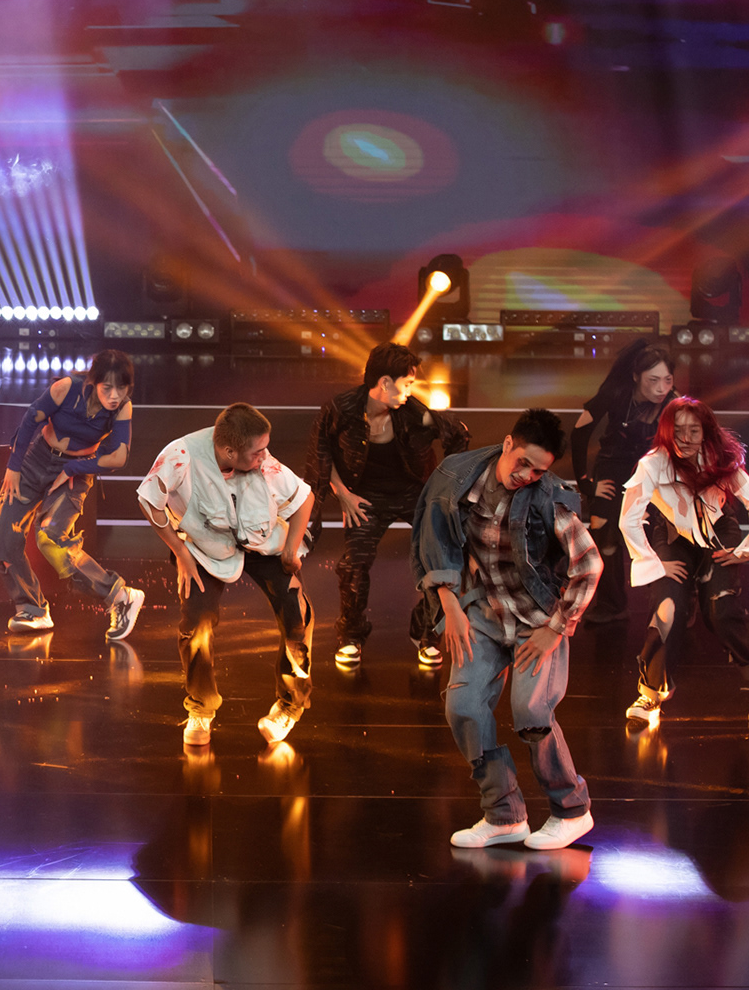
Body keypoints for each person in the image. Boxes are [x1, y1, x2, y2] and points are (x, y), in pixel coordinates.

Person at [412, 408, 601, 851]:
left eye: (538, 470)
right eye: (523, 463)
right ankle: (503, 815)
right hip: (484, 612)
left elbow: (589, 564)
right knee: (463, 707)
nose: (527, 475)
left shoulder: (549, 497)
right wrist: (450, 603)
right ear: (508, 443)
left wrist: (556, 628)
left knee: (531, 713)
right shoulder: (457, 475)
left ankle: (572, 811)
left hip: (537, 619)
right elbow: (434, 538)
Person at [136, 403, 314, 747]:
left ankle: (290, 706)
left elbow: (304, 498)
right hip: (205, 547)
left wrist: (291, 550)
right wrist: (181, 553)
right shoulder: (181, 456)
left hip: (262, 541)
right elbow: (148, 501)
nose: (264, 456)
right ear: (230, 451)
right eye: (257, 451)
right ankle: (201, 708)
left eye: (265, 449)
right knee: (197, 622)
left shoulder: (264, 463)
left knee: (297, 615)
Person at [619, 397, 749, 726]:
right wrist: (654, 563)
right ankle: (652, 693)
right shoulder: (652, 464)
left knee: (720, 610)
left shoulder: (720, 458)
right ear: (666, 432)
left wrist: (745, 550)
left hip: (717, 531)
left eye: (693, 431)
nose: (685, 439)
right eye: (677, 431)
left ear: (705, 431)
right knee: (667, 609)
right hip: (673, 536)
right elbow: (628, 520)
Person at [303, 341, 469, 669]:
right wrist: (343, 494)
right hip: (365, 496)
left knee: (442, 557)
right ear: (384, 383)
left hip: (413, 493)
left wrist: (443, 487)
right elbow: (321, 453)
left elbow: (458, 436)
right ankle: (350, 636)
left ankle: (425, 632)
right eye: (407, 383)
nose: (410, 390)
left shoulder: (415, 413)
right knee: (354, 564)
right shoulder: (341, 409)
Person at [0, 349, 145, 641]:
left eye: (122, 388)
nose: (114, 396)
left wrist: (73, 468)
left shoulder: (123, 408)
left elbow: (119, 458)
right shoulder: (67, 388)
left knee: (51, 536)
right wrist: (14, 466)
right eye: (107, 387)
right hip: (35, 461)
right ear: (94, 381)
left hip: (77, 470)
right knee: (3, 534)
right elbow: (30, 419)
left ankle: (119, 596)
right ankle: (32, 609)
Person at [571, 340, 677, 626]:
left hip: (654, 468)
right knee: (603, 529)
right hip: (613, 464)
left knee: (663, 530)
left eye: (667, 380)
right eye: (653, 380)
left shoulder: (674, 402)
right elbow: (579, 433)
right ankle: (612, 603)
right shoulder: (615, 393)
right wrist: (586, 483)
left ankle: (677, 599)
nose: (661, 388)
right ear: (636, 377)